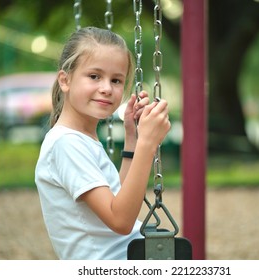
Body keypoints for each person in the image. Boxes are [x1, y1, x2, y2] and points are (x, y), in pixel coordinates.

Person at [35, 26, 171, 260]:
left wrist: (134, 140)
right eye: (94, 76)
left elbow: (114, 201)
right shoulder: (66, 144)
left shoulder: (80, 139)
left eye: (116, 80)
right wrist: (147, 145)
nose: (107, 88)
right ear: (65, 80)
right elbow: (120, 220)